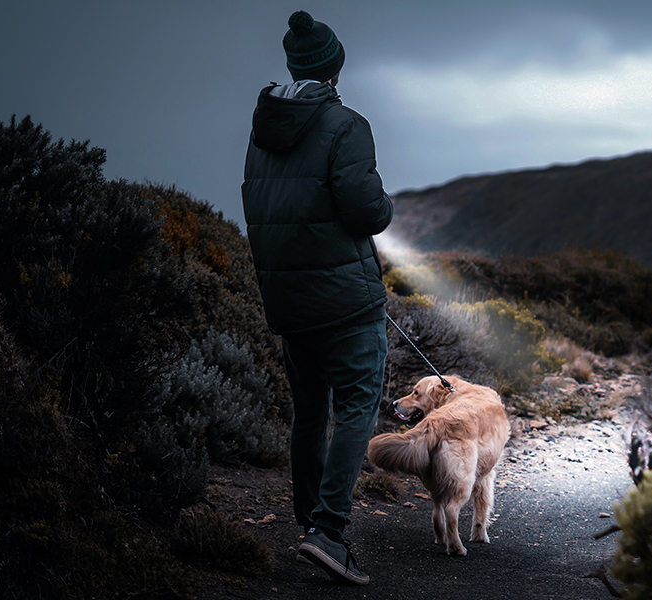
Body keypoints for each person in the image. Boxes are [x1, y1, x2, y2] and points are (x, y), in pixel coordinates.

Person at [241, 10, 392, 586]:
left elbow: (263, 210)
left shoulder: (263, 130)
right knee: (356, 408)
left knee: (310, 413)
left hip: (288, 301)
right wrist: (384, 208)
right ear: (334, 67)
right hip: (346, 304)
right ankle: (328, 533)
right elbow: (364, 209)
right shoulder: (346, 124)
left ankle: (311, 527)